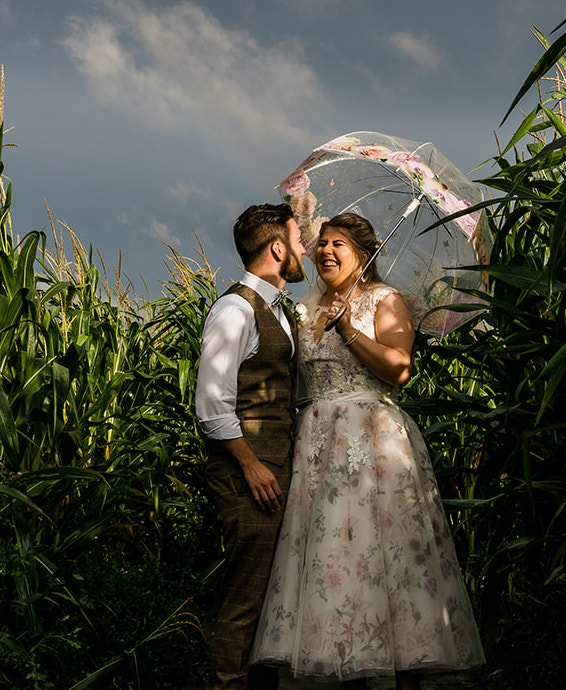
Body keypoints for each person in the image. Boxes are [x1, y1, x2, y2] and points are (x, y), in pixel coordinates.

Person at [250, 213, 485, 690]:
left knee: (390, 556)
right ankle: (347, 671)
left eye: (339, 244)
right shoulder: (304, 309)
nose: (326, 252)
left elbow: (400, 370)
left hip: (373, 443)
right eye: (321, 245)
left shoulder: (385, 300)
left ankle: (405, 678)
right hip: (317, 445)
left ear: (363, 253)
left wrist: (350, 332)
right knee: (336, 562)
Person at [195, 203, 306, 690]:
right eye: (299, 239)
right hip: (250, 474)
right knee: (245, 596)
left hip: (276, 468)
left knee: (268, 599)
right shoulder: (235, 309)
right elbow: (211, 403)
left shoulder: (282, 313)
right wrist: (251, 467)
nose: (305, 247)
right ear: (278, 248)